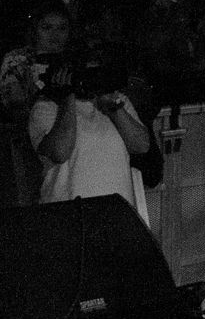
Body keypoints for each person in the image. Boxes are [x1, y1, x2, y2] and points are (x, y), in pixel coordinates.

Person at [27, 54, 150, 208]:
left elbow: (141, 146)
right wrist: (67, 98)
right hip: (70, 214)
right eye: (85, 73)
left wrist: (113, 107)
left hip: (117, 211)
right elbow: (60, 152)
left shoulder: (118, 101)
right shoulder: (46, 107)